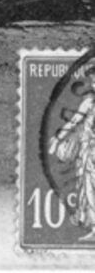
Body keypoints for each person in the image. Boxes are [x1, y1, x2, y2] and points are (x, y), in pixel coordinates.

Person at [50, 64, 95, 241]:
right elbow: (75, 121)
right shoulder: (89, 101)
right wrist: (59, 138)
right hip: (89, 150)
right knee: (88, 186)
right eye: (92, 80)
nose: (94, 83)